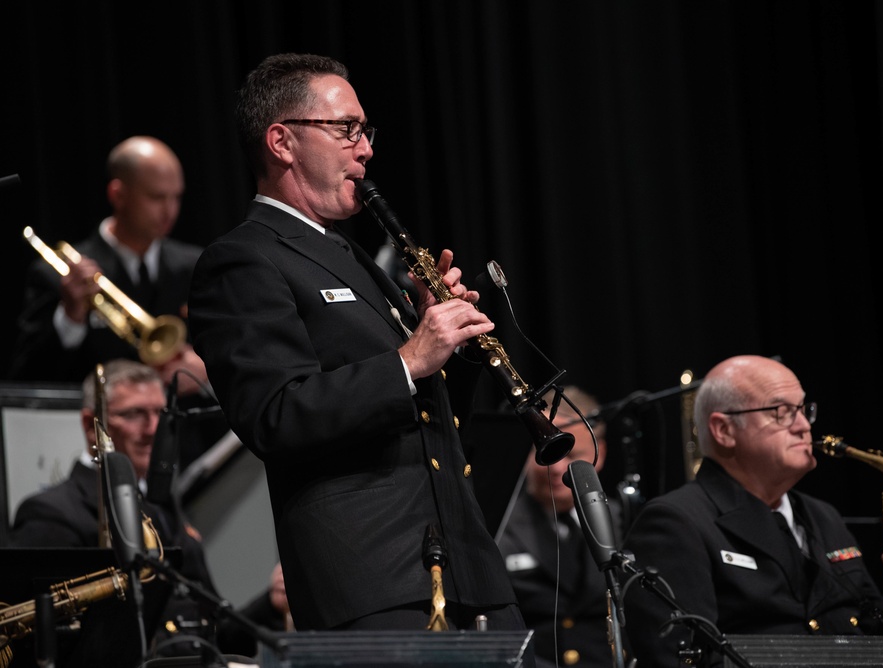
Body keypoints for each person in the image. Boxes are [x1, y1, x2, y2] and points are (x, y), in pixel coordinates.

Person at [187, 52, 525, 636]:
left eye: (366, 131)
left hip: (463, 564)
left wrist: (439, 334)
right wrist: (409, 358)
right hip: (372, 578)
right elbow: (275, 414)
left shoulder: (352, 256)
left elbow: (425, 410)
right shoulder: (243, 258)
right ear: (282, 141)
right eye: (346, 130)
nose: (365, 148)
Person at [620, 355, 883, 668]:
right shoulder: (674, 521)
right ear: (724, 430)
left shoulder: (824, 516)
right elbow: (679, 658)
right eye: (782, 411)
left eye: (804, 410)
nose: (804, 425)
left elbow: (863, 630)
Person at [8, 359, 283, 664]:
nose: (154, 429)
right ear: (90, 425)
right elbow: (39, 643)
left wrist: (271, 603)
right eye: (135, 414)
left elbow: (210, 633)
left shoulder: (162, 508)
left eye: (160, 414)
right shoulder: (51, 512)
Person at [9, 136, 225, 466]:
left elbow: (234, 352)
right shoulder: (59, 274)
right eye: (156, 197)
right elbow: (29, 378)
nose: (169, 211)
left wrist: (205, 370)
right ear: (118, 194)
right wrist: (70, 317)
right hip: (97, 454)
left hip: (187, 450)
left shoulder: (196, 265)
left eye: (175, 197)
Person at [497, 386, 623, 668]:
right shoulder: (496, 523)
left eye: (569, 453)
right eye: (546, 453)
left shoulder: (624, 520)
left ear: (598, 454)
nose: (556, 468)